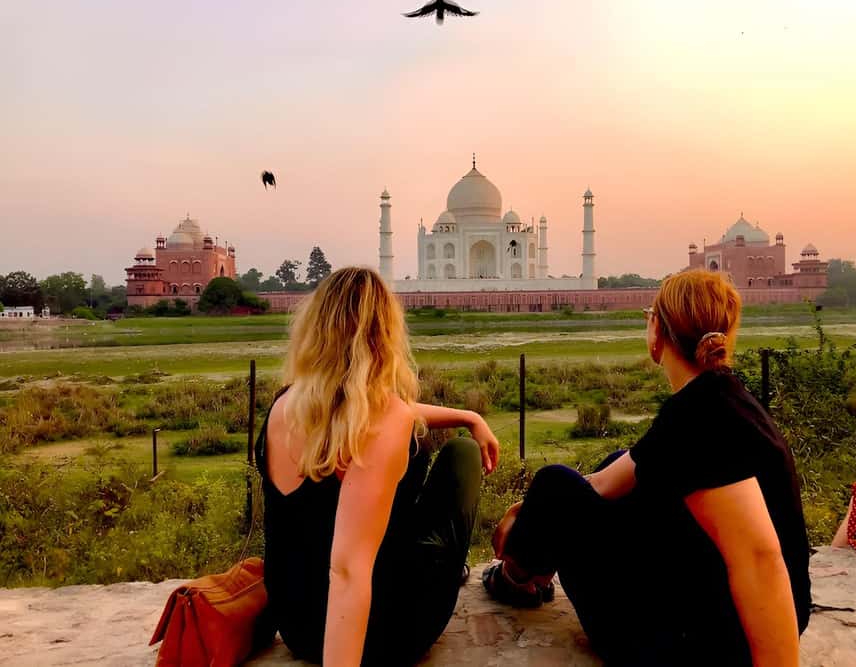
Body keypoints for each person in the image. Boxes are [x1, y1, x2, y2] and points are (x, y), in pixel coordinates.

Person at [484, 269, 811, 667]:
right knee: (615, 462)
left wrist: (538, 511)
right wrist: (532, 511)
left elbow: (760, 558)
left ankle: (518, 580)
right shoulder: (726, 397)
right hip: (726, 615)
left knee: (554, 481)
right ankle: (529, 564)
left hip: (699, 646)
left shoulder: (698, 419)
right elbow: (606, 481)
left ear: (657, 330)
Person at [256, 267, 500, 666]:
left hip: (299, 626)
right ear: (384, 334)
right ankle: (447, 571)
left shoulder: (286, 405)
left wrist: (467, 416)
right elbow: (347, 572)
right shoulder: (386, 419)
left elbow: (374, 410)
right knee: (462, 454)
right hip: (386, 630)